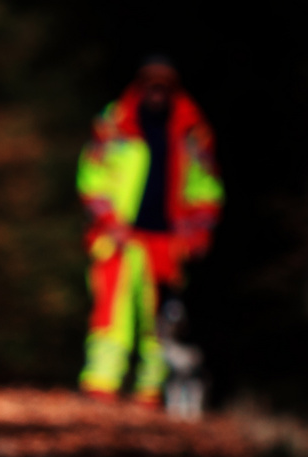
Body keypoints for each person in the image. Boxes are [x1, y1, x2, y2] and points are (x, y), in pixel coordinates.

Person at [77, 57, 223, 406]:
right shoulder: (115, 124)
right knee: (111, 313)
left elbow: (207, 189)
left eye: (164, 86)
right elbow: (91, 177)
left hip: (168, 241)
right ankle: (101, 383)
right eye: (150, 84)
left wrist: (197, 233)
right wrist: (111, 222)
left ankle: (152, 391)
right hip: (119, 237)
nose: (157, 92)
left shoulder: (192, 131)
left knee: (161, 322)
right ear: (140, 86)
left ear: (173, 90)